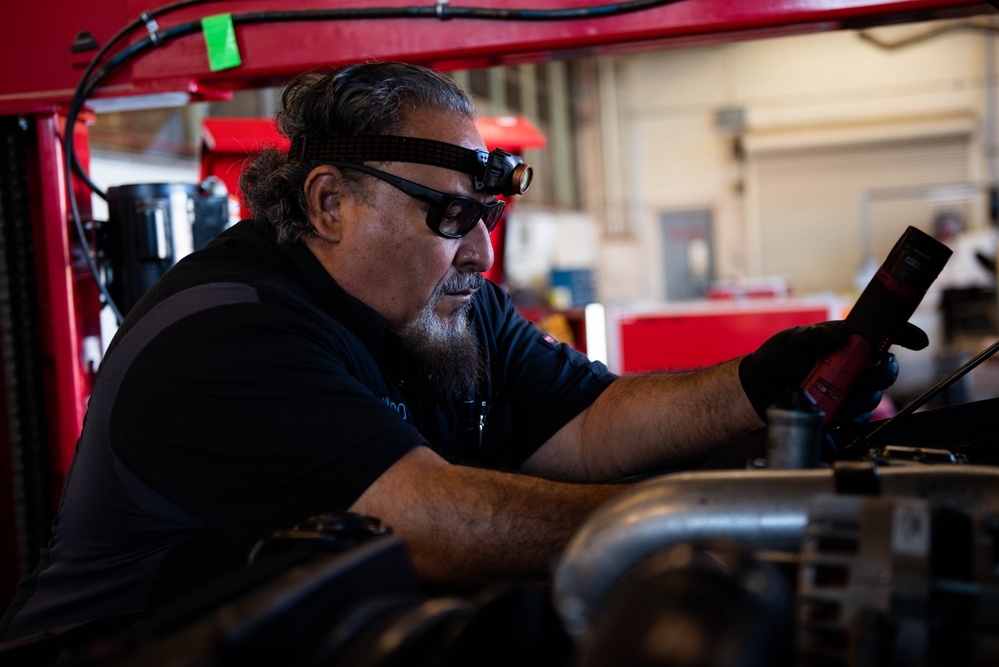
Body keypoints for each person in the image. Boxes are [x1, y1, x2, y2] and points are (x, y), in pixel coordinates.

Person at [0, 62, 917, 641]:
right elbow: (427, 527)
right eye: (449, 216)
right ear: (329, 204)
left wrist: (759, 384)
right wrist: (706, 524)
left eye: (483, 217)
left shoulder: (445, 308)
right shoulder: (224, 332)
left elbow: (591, 425)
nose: (480, 252)